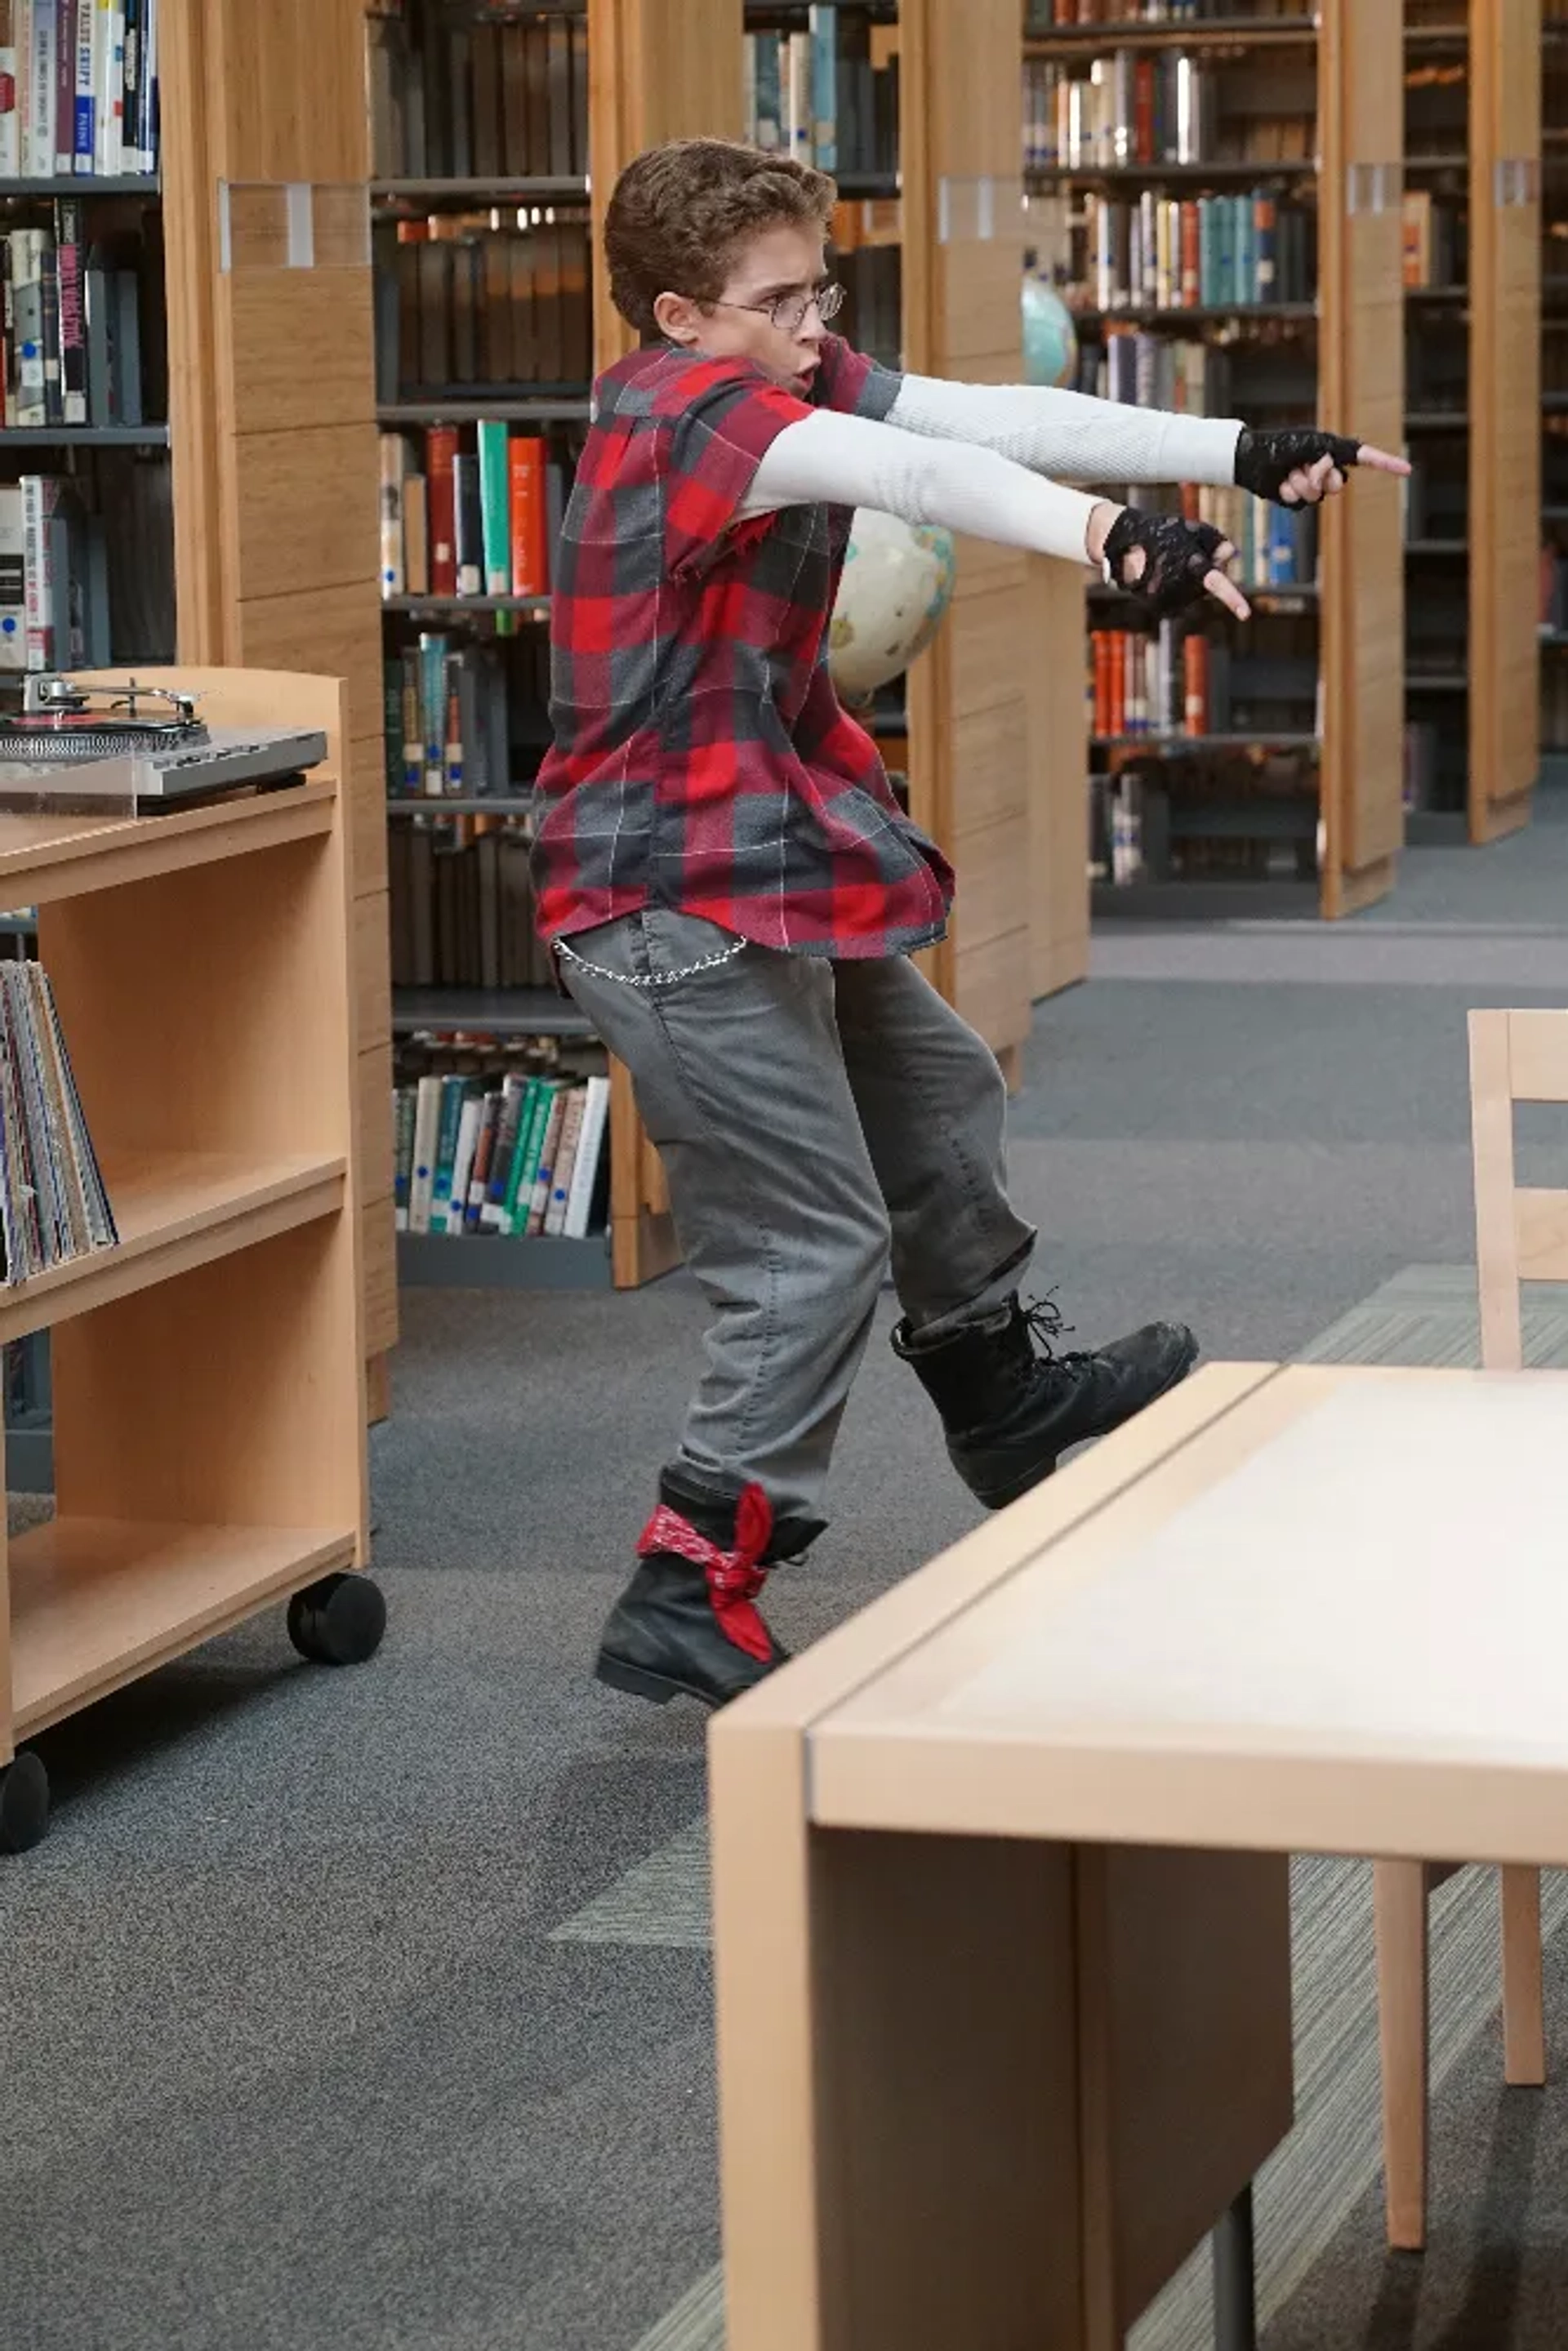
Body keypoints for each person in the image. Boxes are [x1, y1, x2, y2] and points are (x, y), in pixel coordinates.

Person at [531, 138, 1409, 1711]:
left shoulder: (768, 376)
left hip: (744, 852)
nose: (816, 325)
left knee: (941, 1093)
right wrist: (1106, 541)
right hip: (661, 893)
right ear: (676, 314)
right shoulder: (698, 416)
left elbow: (984, 415)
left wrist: (1236, 447)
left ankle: (1001, 1398)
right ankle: (687, 1572)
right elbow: (915, 480)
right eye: (778, 300)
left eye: (824, 290)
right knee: (811, 1250)